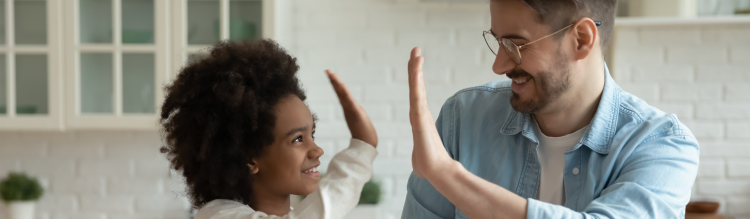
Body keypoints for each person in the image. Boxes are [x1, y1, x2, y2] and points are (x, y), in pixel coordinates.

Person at [402, 0, 700, 218]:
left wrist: (446, 175)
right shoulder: (462, 118)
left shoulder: (663, 145)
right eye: (498, 41)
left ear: (581, 40)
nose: (499, 65)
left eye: (516, 45)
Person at [159, 39, 379, 219]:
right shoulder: (218, 215)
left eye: (311, 134)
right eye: (297, 139)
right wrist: (362, 149)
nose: (317, 150)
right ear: (251, 158)